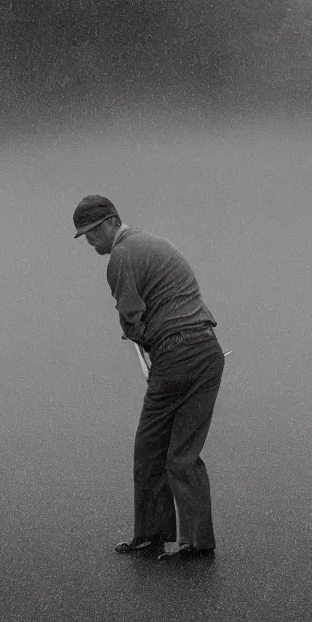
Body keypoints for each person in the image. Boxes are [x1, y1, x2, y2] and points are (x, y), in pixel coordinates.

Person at [73, 194, 225, 561]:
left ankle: (152, 535)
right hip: (208, 350)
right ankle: (197, 541)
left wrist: (139, 336)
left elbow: (132, 316)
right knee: (184, 453)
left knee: (150, 450)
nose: (89, 240)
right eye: (83, 235)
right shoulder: (154, 242)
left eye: (92, 232)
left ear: (111, 222)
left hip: (176, 355)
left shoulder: (121, 257)